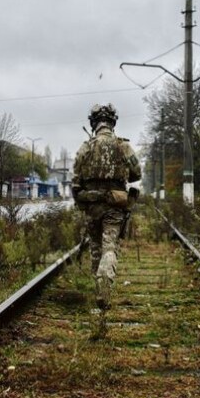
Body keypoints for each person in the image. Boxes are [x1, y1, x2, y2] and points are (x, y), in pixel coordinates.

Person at [72, 103, 141, 310]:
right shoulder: (123, 146)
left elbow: (76, 180)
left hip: (92, 207)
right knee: (109, 246)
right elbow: (137, 174)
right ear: (113, 123)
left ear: (94, 124)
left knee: (95, 248)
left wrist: (84, 201)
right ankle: (105, 288)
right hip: (115, 206)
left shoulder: (86, 147)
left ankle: (98, 290)